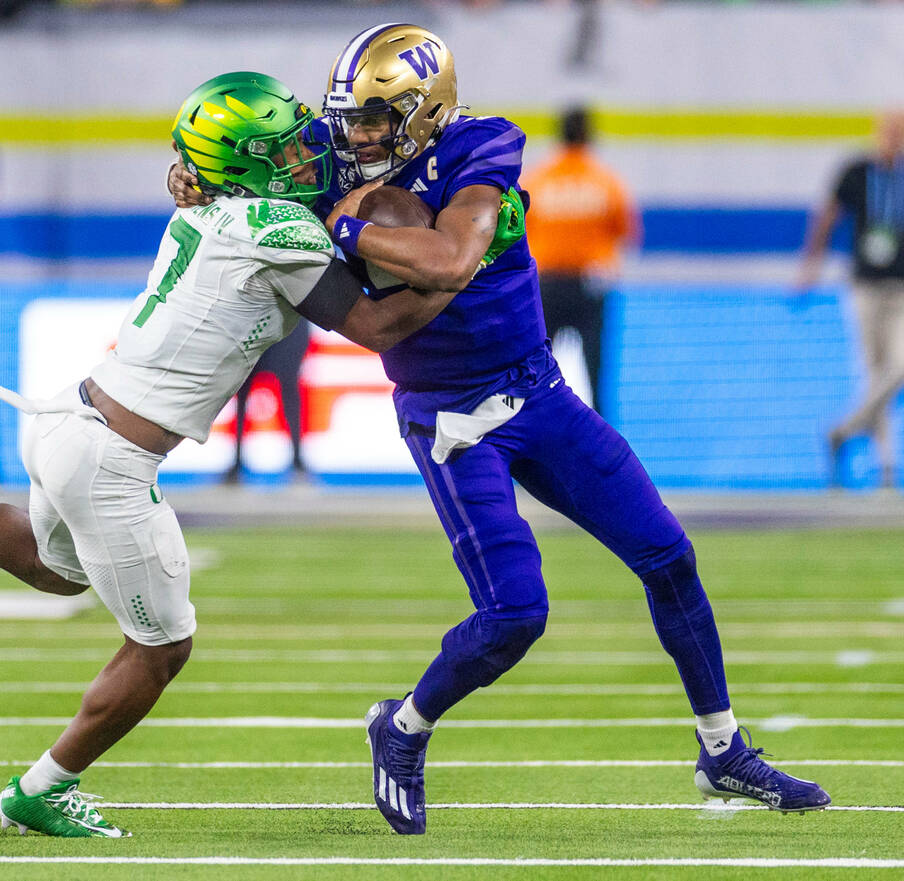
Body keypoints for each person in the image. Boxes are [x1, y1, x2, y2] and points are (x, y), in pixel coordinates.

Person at [171, 24, 830, 834]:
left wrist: (345, 224)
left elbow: (449, 260)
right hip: (450, 418)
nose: (360, 134)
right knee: (516, 613)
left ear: (426, 109)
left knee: (670, 556)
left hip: (537, 391)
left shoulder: (483, 145)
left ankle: (722, 749)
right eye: (353, 119)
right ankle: (403, 726)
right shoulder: (331, 151)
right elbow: (238, 172)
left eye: (378, 118)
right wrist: (197, 178)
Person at [0, 71, 456, 838]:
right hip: (110, 455)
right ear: (245, 164)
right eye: (282, 148)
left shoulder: (216, 200)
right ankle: (40, 788)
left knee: (57, 570)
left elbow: (247, 179)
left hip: (67, 417)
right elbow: (382, 326)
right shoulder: (276, 229)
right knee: (163, 647)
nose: (304, 154)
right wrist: (466, 263)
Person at [798, 110, 904, 490]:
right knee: (875, 373)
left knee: (898, 368)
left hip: (901, 288)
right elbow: (827, 215)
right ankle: (887, 466)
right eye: (888, 129)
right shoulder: (857, 171)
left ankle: (843, 431)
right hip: (865, 286)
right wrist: (811, 264)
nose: (893, 137)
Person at [524, 105, 639, 414]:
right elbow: (626, 232)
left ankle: (534, 431)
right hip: (589, 285)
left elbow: (519, 232)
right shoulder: (605, 182)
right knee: (595, 369)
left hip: (544, 284)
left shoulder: (538, 180)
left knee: (537, 369)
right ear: (589, 136)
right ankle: (602, 440)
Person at [224, 318, 311, 484]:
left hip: (285, 326)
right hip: (257, 323)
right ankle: (236, 462)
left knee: (289, 390)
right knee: (242, 392)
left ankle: (298, 461)